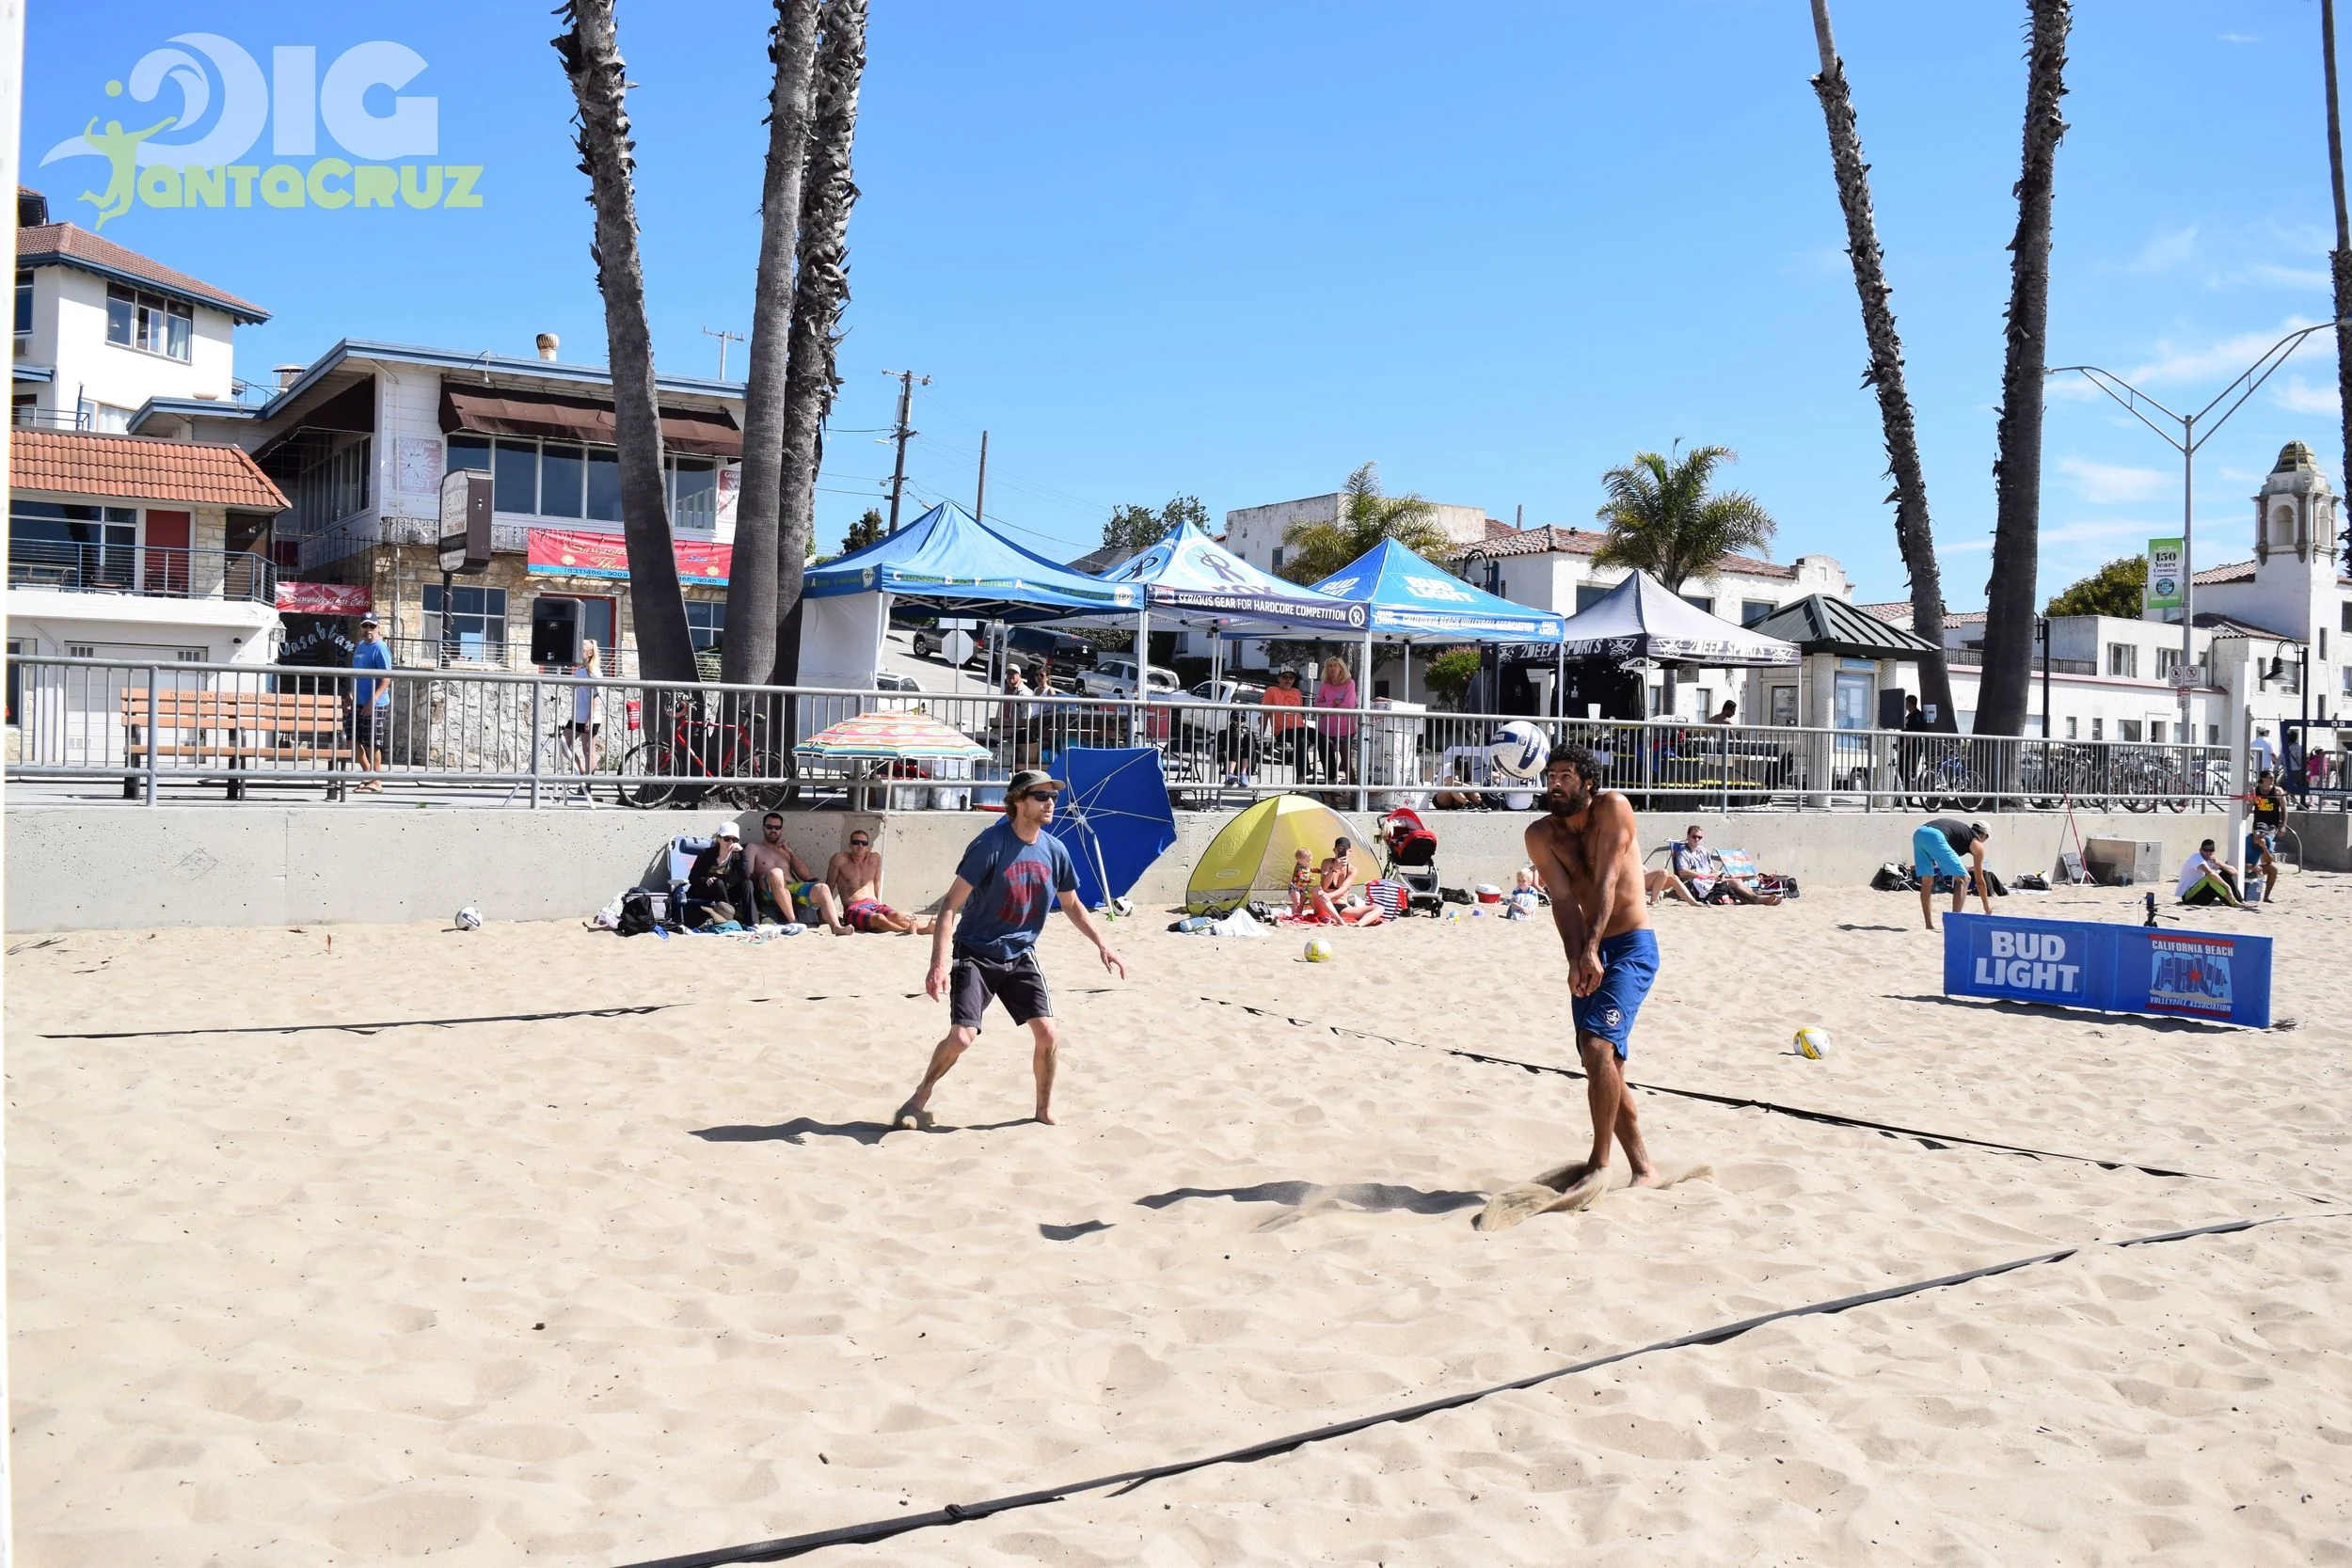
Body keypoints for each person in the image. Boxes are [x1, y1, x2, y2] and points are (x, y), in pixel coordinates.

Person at [895, 770, 1128, 1128]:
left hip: (1020, 954)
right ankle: (922, 1093)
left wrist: (1103, 943)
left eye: (1053, 796)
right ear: (1018, 800)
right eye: (1040, 795)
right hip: (974, 951)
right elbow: (949, 907)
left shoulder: (1056, 850)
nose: (1050, 802)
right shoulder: (990, 845)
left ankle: (1042, 1109)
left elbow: (1072, 904)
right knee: (962, 1037)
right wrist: (939, 964)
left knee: (1048, 1032)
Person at [1518, 742, 1665, 1212]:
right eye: (1549, 777)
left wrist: (1593, 951)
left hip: (1630, 946)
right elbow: (1563, 901)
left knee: (1601, 1046)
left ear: (1588, 782)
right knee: (1599, 1060)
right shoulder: (1541, 834)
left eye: (1565, 776)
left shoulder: (1613, 808)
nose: (1554, 784)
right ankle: (1644, 1168)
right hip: (1589, 949)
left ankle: (1599, 1163)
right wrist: (1576, 958)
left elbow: (1606, 880)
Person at [743, 812, 851, 934]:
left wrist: (790, 852)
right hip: (768, 891)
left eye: (777, 828)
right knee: (776, 873)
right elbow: (747, 874)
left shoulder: (784, 851)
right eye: (769, 827)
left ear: (782, 830)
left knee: (823, 888)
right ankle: (793, 921)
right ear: (763, 828)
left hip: (793, 888)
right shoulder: (754, 847)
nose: (773, 830)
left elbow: (807, 876)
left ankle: (836, 927)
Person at [826, 828, 932, 934]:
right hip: (853, 907)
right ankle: (905, 930)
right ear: (850, 845)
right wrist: (825, 915)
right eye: (856, 842)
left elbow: (877, 884)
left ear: (868, 846)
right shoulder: (840, 860)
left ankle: (925, 929)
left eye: (864, 843)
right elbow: (828, 888)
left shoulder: (874, 859)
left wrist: (879, 904)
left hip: (874, 905)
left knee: (897, 916)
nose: (860, 846)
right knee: (879, 919)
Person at [1910, 816, 1992, 931]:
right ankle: (1954, 925)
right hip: (1935, 836)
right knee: (1964, 878)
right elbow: (1979, 881)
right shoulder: (1977, 843)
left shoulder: (1961, 832)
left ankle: (1929, 925)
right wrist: (1986, 906)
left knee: (1927, 881)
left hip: (1919, 833)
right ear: (1984, 836)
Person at [349, 611, 392, 793]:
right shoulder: (360, 646)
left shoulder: (380, 648)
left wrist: (372, 700)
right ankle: (367, 774)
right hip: (357, 701)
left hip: (375, 703)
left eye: (372, 626)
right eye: (365, 626)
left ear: (377, 628)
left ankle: (376, 780)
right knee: (352, 739)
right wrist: (351, 693)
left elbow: (387, 678)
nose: (368, 630)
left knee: (372, 742)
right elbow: (356, 672)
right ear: (360, 627)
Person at [682, 820, 754, 926]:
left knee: (748, 884)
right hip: (704, 890)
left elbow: (746, 876)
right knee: (718, 882)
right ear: (719, 839)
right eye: (727, 839)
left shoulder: (736, 856)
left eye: (734, 840)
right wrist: (706, 880)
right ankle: (730, 918)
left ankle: (752, 922)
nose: (730, 842)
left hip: (725, 892)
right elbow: (692, 878)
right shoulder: (706, 854)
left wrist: (742, 852)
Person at [1316, 656, 1359, 784]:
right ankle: (1330, 783)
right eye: (1330, 666)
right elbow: (1317, 705)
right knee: (1325, 753)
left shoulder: (1349, 683)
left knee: (1345, 762)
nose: (1332, 668)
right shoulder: (1325, 685)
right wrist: (1332, 703)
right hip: (1326, 729)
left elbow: (1349, 705)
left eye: (1335, 666)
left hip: (1344, 729)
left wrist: (1327, 706)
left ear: (1341, 668)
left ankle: (1353, 794)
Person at [2247, 768, 2288, 903]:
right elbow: (2249, 806)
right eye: (2269, 777)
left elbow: (2284, 809)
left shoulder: (2277, 791)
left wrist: (2283, 826)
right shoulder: (2255, 791)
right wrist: (2243, 817)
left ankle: (2263, 866)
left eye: (2273, 777)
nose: (2272, 779)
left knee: (2265, 843)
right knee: (2255, 845)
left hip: (2271, 825)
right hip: (2258, 824)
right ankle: (2255, 869)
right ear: (2263, 778)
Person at [564, 639, 603, 777]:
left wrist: (590, 719)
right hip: (576, 716)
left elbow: (596, 697)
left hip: (590, 717)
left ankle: (588, 781)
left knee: (588, 750)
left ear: (590, 652)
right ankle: (581, 771)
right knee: (563, 745)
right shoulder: (579, 671)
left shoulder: (595, 672)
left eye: (581, 650)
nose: (578, 653)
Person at [2177, 839, 2249, 908]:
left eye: (2211, 850)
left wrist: (2218, 862)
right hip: (2188, 897)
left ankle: (2240, 900)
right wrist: (2227, 886)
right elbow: (2210, 873)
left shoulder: (2210, 860)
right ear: (2200, 850)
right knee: (2210, 878)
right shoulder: (2196, 858)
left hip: (2201, 896)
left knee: (2225, 874)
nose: (2208, 853)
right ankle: (2234, 903)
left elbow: (2234, 872)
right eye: (2206, 850)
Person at [1260, 669, 1307, 771]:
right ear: (1279, 678)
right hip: (1283, 730)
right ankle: (1302, 776)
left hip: (1300, 728)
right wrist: (1261, 737)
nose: (1288, 680)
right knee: (1301, 740)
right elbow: (1265, 714)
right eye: (1285, 677)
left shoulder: (1297, 692)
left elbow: (1300, 714)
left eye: (1291, 677)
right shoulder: (1272, 690)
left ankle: (1331, 778)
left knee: (1324, 739)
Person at [1288, 847, 1318, 918]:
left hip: (1303, 888)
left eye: (1310, 861)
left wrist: (1321, 871)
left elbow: (1313, 869)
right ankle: (1294, 916)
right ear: (1299, 860)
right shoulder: (1299, 868)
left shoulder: (1306, 865)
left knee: (1303, 901)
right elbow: (1300, 878)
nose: (1309, 863)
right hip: (1295, 888)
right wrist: (1309, 880)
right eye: (1307, 861)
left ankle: (1298, 914)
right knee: (1297, 902)